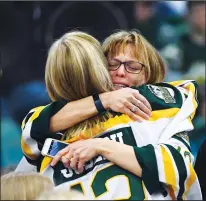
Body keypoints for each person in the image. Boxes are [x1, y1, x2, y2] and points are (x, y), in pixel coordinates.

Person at [20, 31, 201, 200]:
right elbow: (31, 132)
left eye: (133, 67)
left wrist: (101, 146)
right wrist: (104, 100)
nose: (120, 72)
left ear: (148, 75)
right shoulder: (64, 118)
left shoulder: (159, 107)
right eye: (112, 64)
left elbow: (178, 169)